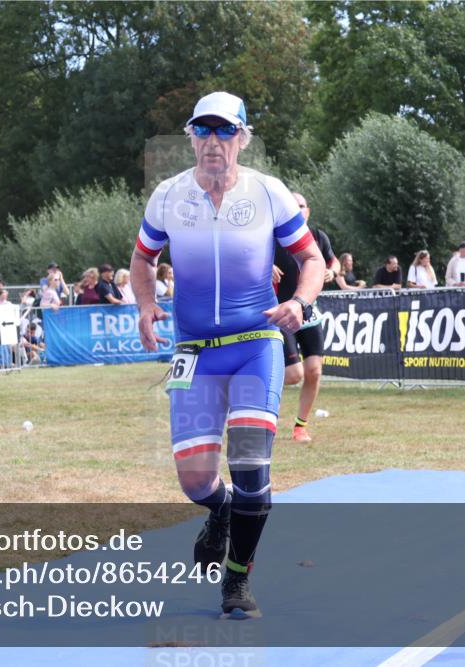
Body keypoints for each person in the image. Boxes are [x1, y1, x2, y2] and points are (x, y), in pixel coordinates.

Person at [131, 91, 325, 619]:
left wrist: (299, 303)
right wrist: (145, 304)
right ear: (191, 137)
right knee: (195, 480)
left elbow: (311, 258)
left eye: (224, 130)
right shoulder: (168, 196)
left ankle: (237, 579)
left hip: (254, 345)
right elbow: (143, 258)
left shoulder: (269, 192)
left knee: (250, 466)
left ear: (242, 137)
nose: (213, 141)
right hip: (194, 353)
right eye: (203, 130)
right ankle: (219, 511)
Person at [272, 191, 337, 443]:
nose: (297, 209)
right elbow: (245, 259)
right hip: (281, 310)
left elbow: (333, 262)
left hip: (308, 311)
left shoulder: (317, 236)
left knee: (314, 371)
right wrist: (264, 267)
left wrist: (332, 272)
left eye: (301, 205)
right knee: (293, 375)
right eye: (292, 205)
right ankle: (255, 391)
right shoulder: (271, 235)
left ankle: (300, 427)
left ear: (308, 211)